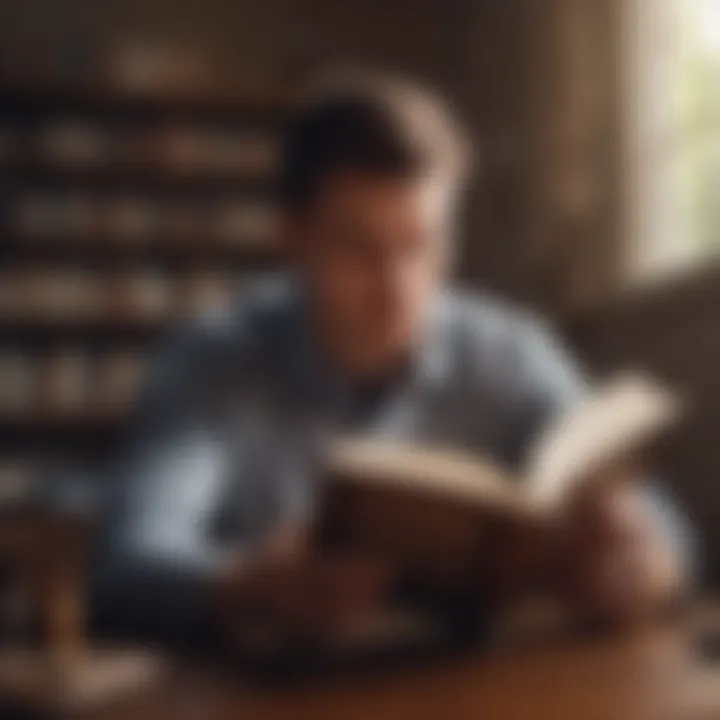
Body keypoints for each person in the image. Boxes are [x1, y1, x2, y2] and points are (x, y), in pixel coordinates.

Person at [92, 74, 692, 648]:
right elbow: (126, 562)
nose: (397, 284)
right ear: (292, 241)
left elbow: (665, 524)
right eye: (359, 247)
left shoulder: (511, 352)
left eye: (421, 244)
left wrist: (648, 559)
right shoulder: (212, 362)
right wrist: (236, 589)